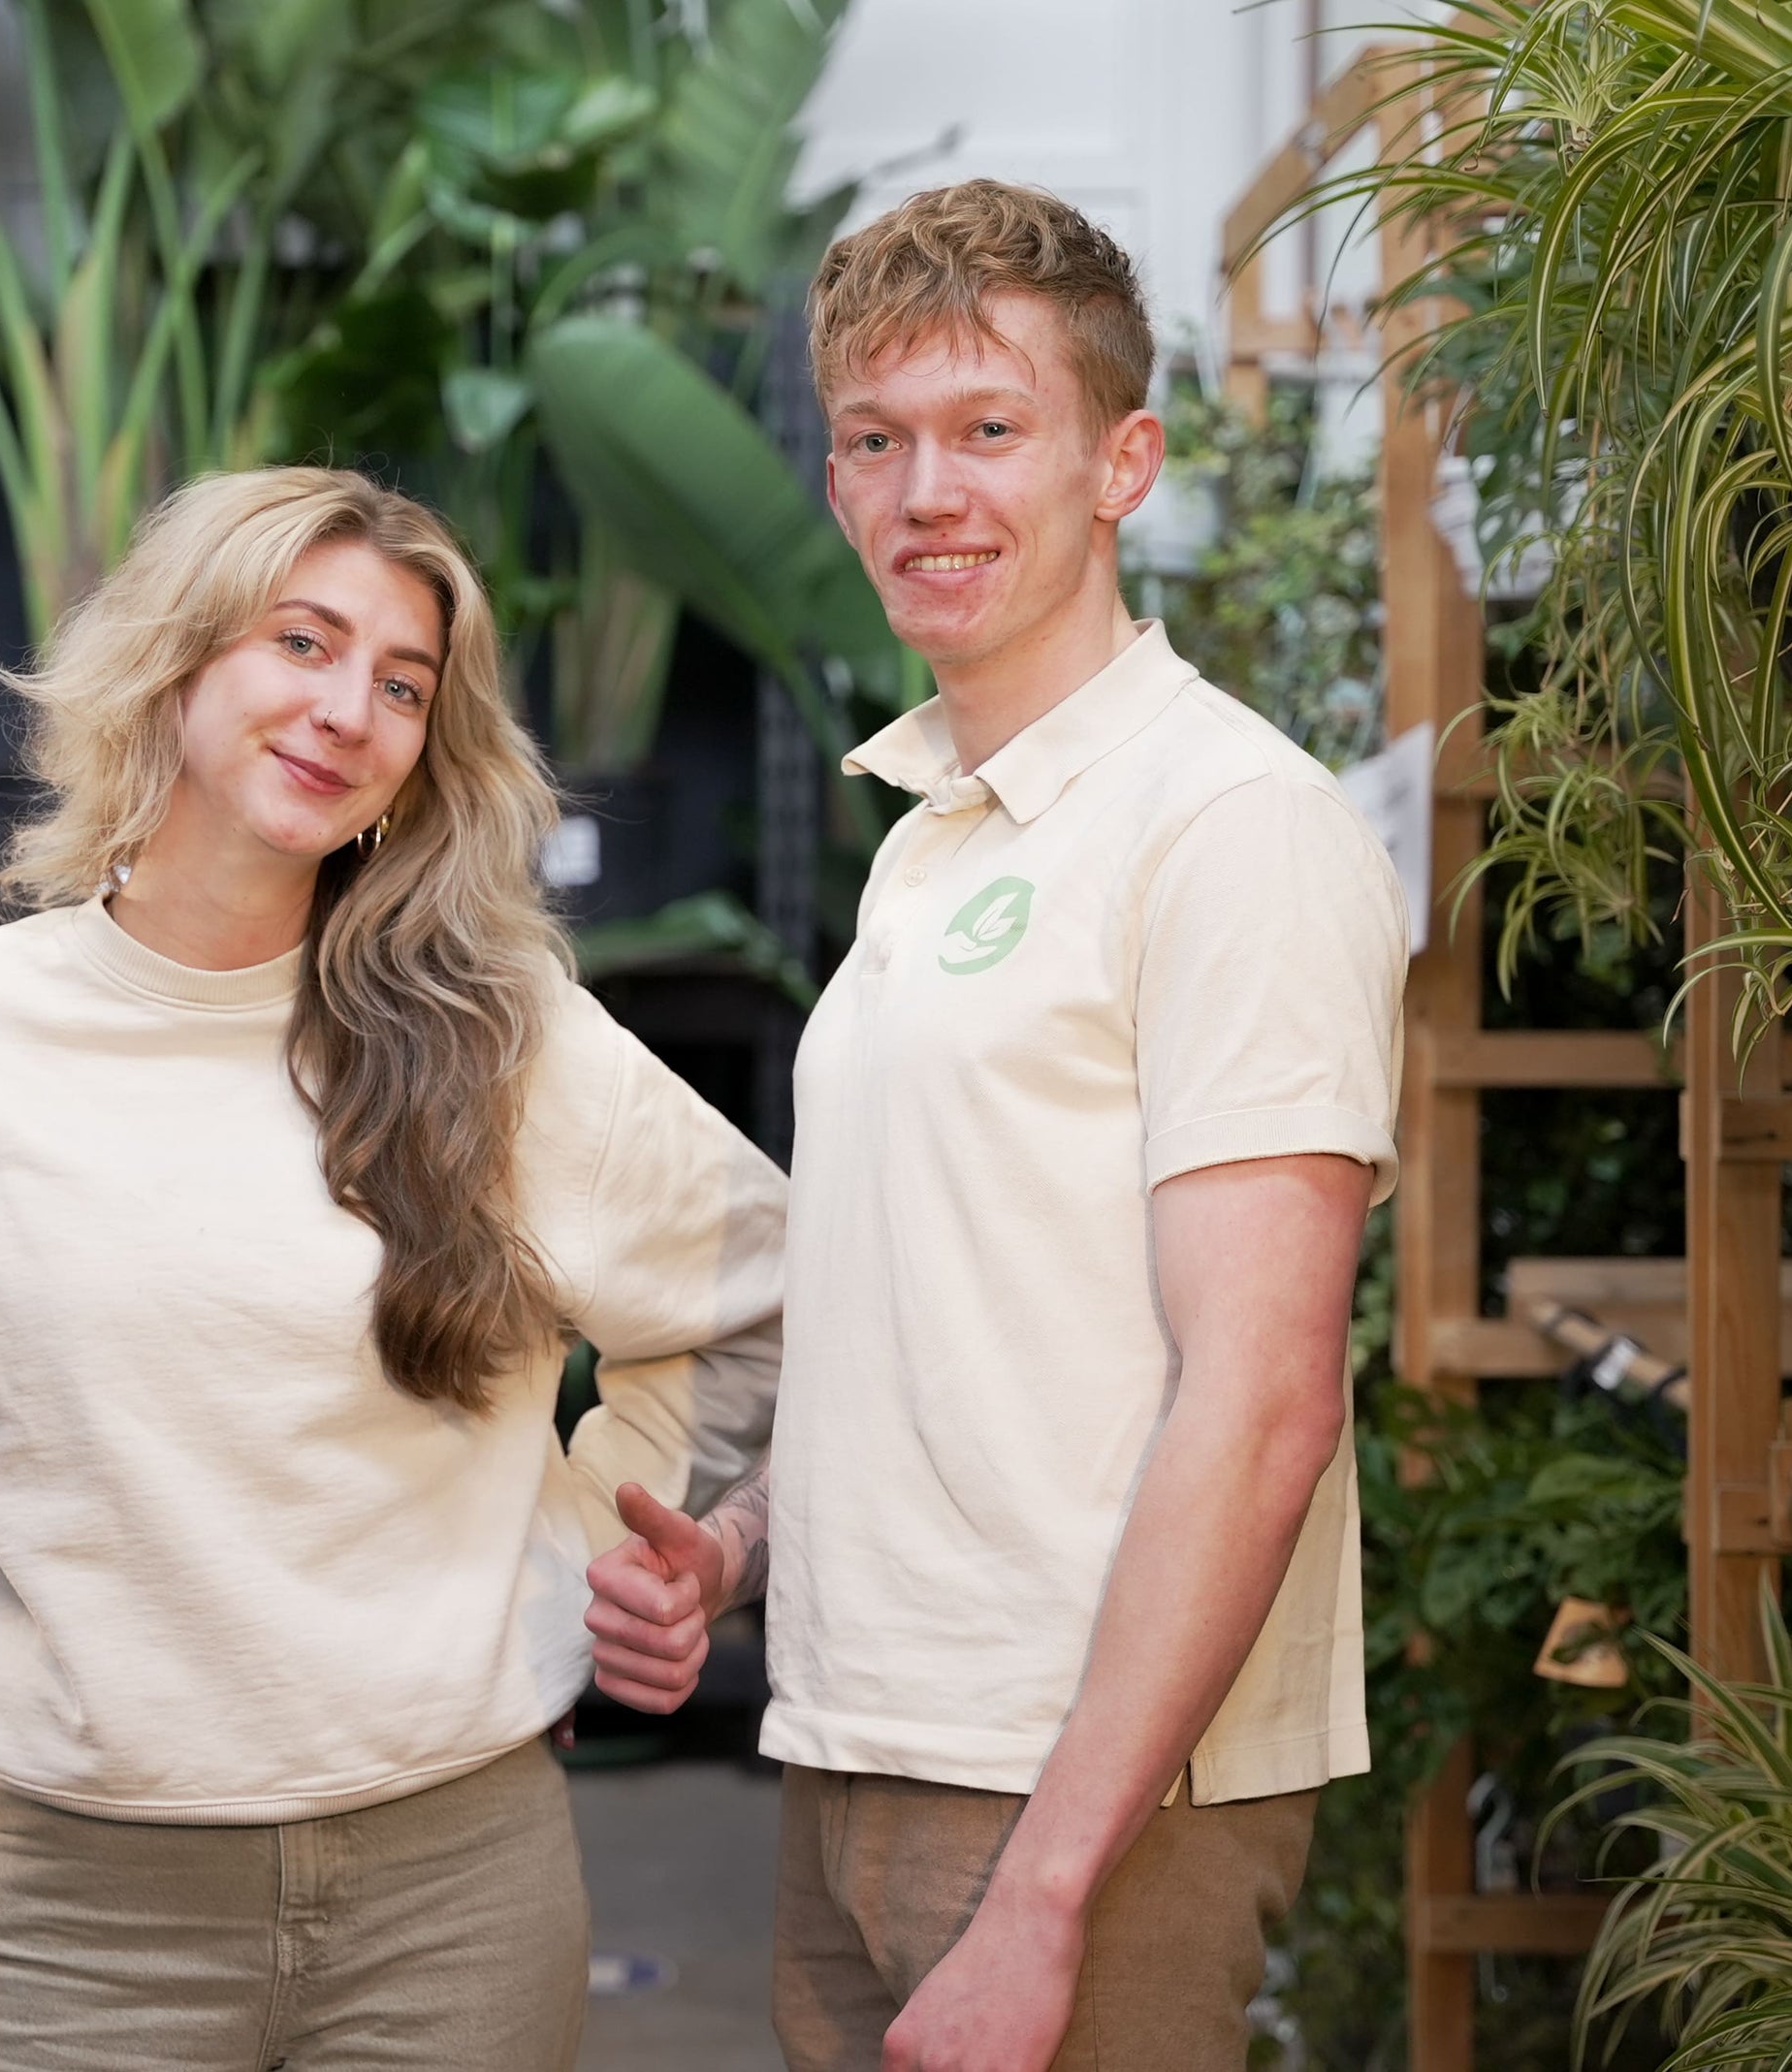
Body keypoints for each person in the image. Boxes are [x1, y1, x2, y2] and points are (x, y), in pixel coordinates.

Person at [0, 467, 786, 2072]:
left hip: (460, 1892)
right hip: (93, 1913)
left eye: (403, 684)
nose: (349, 709)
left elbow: (765, 1306)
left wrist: (565, 1554)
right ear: (173, 661)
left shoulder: (499, 1045)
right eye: (303, 641)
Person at [586, 181, 1404, 2072]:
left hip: (1077, 1793)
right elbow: (946, 1328)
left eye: (987, 428)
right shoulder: (937, 837)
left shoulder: (1229, 827)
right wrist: (735, 1549)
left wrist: (1042, 1897)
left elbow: (1265, 1396)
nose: (925, 492)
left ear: (1123, 462)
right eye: (876, 441)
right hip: (863, 1744)